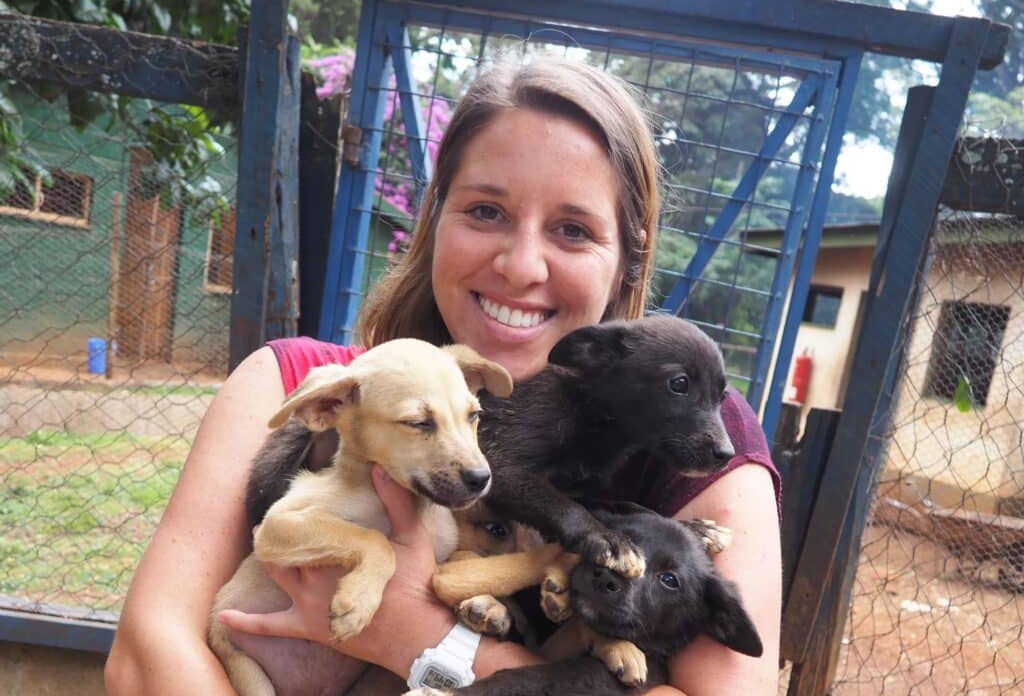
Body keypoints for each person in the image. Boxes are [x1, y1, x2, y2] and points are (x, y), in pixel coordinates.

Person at [105, 56, 782, 695]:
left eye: (573, 230)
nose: (521, 267)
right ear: (434, 220)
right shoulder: (301, 383)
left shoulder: (694, 439)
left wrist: (425, 639)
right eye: (486, 211)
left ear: (626, 263)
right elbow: (146, 656)